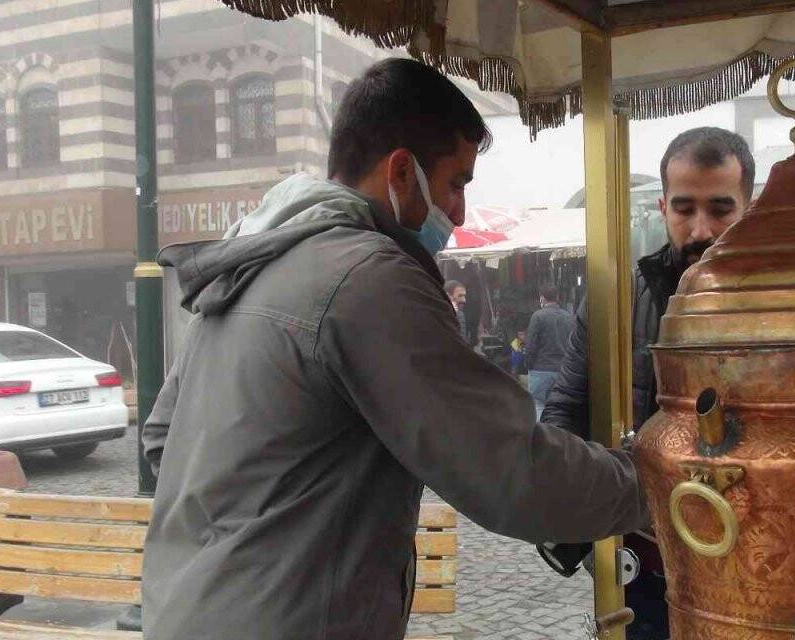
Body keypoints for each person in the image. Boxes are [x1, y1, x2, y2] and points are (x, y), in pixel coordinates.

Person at [140, 58, 649, 640]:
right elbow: (509, 468)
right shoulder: (368, 277)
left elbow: (161, 441)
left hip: (185, 610)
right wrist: (650, 486)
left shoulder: (251, 259)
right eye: (457, 183)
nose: (458, 211)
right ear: (401, 171)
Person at [539, 127, 755, 640]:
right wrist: (574, 527)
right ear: (663, 208)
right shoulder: (617, 300)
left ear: (750, 206)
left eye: (721, 209)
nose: (700, 229)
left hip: (755, 559)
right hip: (647, 561)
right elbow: (567, 410)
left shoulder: (781, 306)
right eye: (684, 208)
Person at [524, 284, 575, 418]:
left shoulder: (537, 316)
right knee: (559, 408)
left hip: (540, 369)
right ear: (557, 297)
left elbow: (531, 344)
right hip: (562, 371)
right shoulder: (568, 317)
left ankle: (541, 437)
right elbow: (573, 344)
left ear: (542, 298)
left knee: (539, 405)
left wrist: (528, 365)